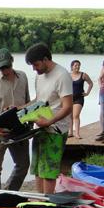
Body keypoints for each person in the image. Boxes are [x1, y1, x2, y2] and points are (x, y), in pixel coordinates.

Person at [24, 43, 73, 194]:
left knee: (49, 172)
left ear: (45, 59)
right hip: (40, 128)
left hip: (55, 130)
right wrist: (20, 109)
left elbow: (68, 106)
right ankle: (40, 200)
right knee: (38, 168)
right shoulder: (39, 77)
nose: (34, 68)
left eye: (36, 64)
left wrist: (49, 121)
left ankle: (48, 203)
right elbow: (38, 100)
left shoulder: (62, 75)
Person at [0, 48, 31, 190]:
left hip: (20, 128)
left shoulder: (23, 77)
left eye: (7, 66)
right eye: (2, 68)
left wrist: (22, 110)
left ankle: (9, 193)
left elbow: (28, 101)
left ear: (12, 61)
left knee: (23, 164)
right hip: (0, 131)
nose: (6, 70)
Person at [68, 59, 93, 139]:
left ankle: (77, 133)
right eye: (75, 65)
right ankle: (70, 132)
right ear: (72, 67)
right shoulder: (68, 75)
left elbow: (90, 83)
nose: (77, 67)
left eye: (78, 65)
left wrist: (87, 93)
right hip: (70, 98)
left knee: (76, 115)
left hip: (79, 98)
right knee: (70, 116)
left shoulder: (83, 75)